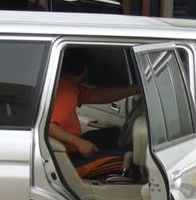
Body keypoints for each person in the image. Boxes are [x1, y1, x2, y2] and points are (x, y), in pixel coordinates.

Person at [49, 48, 140, 179]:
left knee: (112, 134)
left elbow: (98, 96)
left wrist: (136, 89)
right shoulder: (66, 94)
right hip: (67, 161)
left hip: (68, 150)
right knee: (129, 160)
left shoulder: (65, 87)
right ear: (85, 69)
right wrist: (79, 143)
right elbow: (49, 127)